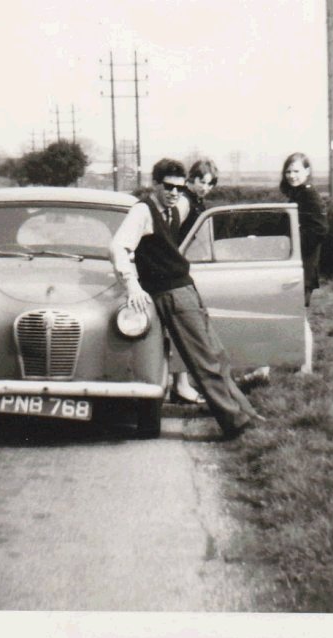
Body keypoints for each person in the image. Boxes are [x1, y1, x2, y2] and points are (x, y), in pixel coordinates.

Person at [109, 158, 263, 439]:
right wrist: (132, 286)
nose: (174, 193)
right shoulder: (142, 211)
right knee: (205, 361)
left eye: (179, 188)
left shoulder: (172, 208)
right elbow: (118, 247)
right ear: (155, 184)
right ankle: (236, 424)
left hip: (185, 288)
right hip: (170, 294)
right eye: (168, 187)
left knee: (217, 355)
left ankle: (246, 413)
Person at [171, 158, 220, 404]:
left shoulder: (197, 201)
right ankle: (180, 384)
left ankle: (182, 383)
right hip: (176, 269)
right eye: (201, 181)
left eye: (210, 183)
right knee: (183, 327)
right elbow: (171, 231)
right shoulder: (184, 201)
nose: (205, 187)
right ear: (191, 178)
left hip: (187, 267)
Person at [279, 152, 328, 307]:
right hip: (295, 266)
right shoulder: (298, 194)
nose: (292, 176)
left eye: (296, 171)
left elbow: (320, 229)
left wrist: (292, 244)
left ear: (307, 171)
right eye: (288, 171)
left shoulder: (309, 195)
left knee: (294, 317)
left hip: (303, 267)